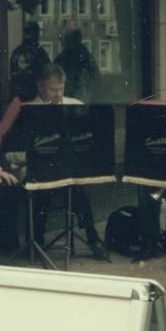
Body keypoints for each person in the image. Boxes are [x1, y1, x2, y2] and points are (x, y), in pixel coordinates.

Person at [21, 63, 107, 259]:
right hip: (38, 171)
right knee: (39, 194)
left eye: (61, 88)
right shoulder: (27, 110)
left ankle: (93, 238)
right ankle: (36, 241)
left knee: (79, 192)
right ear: (40, 87)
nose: (58, 94)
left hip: (68, 170)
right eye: (53, 89)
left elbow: (87, 140)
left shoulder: (74, 105)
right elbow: (13, 151)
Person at [9, 21, 50, 102]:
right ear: (36, 33)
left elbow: (12, 73)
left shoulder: (16, 52)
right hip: (34, 97)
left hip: (17, 97)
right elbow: (48, 73)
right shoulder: (40, 52)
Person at [54, 29, 97, 103]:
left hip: (73, 88)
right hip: (70, 88)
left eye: (66, 39)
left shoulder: (76, 52)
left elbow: (93, 72)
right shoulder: (80, 52)